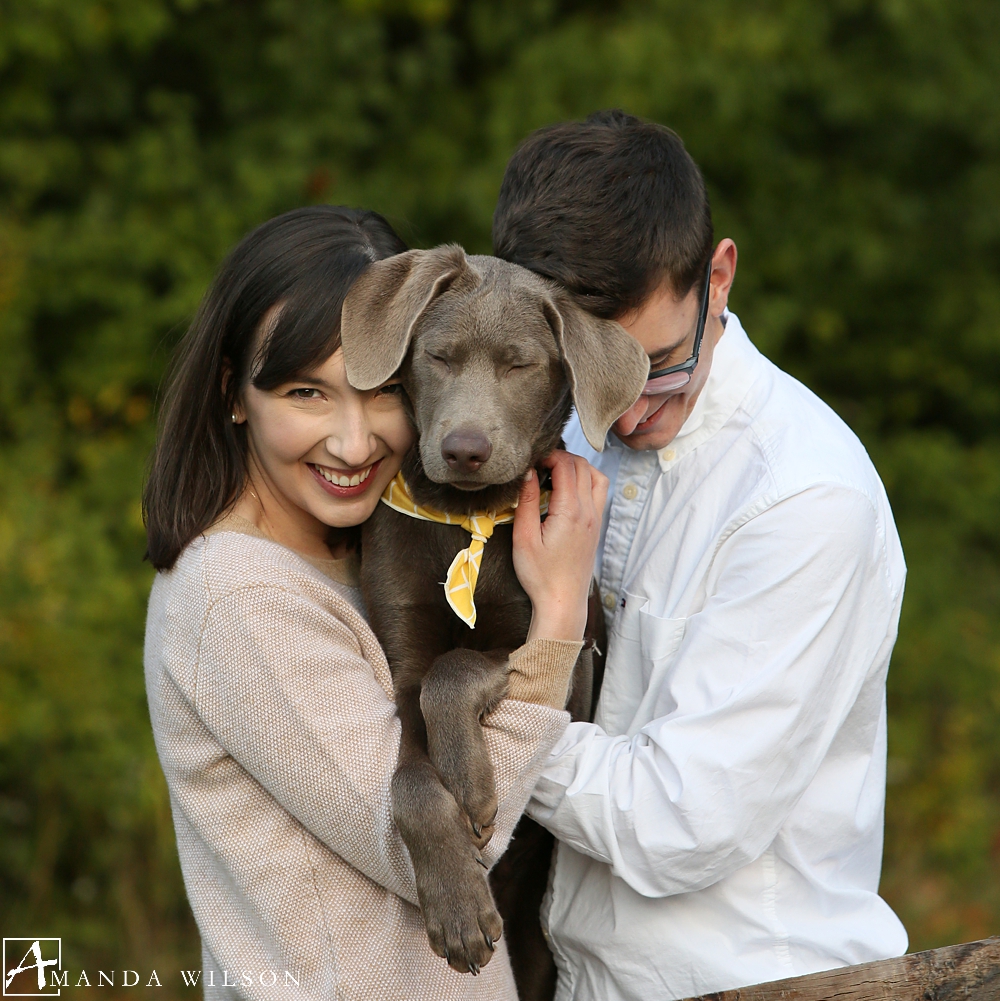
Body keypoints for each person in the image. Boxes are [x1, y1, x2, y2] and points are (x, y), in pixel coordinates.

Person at [492, 110, 909, 1001]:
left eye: (659, 363)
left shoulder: (804, 499)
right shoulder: (553, 428)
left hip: (752, 981)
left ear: (717, 275)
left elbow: (681, 822)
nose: (624, 411)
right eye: (589, 373)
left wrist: (486, 723)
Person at [142, 205, 607, 1001]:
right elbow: (427, 843)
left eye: (378, 392)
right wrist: (558, 622)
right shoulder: (239, 596)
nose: (354, 444)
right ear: (234, 395)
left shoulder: (356, 547)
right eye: (305, 394)